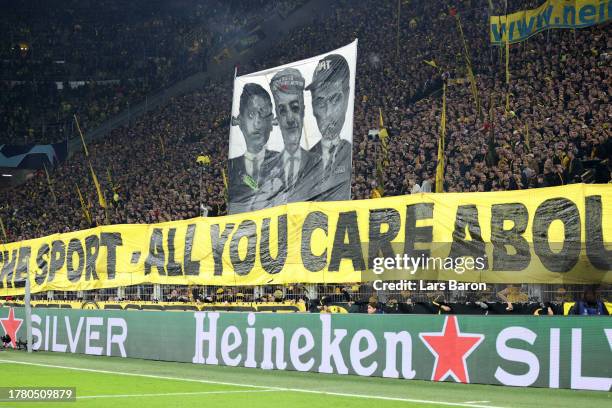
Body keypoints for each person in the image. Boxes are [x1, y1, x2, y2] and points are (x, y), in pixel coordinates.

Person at [228, 83, 283, 213]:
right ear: (240, 121)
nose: (257, 122)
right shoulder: (231, 167)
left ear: (272, 122)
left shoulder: (283, 162)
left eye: (263, 115)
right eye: (251, 115)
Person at [269, 68, 320, 202]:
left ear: (303, 110)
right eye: (283, 111)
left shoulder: (319, 163)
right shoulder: (267, 169)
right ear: (277, 117)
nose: (290, 119)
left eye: (295, 108)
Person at [307, 54, 352, 201]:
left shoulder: (353, 153)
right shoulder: (303, 162)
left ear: (347, 97)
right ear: (313, 108)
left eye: (335, 99)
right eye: (320, 102)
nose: (328, 113)